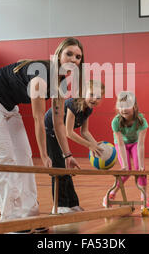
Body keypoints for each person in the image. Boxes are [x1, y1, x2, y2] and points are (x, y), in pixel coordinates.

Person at [0, 37, 84, 232]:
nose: (74, 59)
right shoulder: (41, 77)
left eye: (78, 57)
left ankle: (29, 215)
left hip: (8, 106)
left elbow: (58, 123)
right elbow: (39, 119)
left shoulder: (61, 83)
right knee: (3, 157)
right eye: (69, 54)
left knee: (24, 156)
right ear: (58, 55)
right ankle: (11, 219)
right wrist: (45, 156)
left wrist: (68, 155)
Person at [45, 80, 105, 214]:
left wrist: (95, 145)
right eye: (92, 94)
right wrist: (89, 145)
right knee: (59, 168)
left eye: (99, 96)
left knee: (67, 169)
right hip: (50, 133)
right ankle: (59, 205)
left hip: (60, 134)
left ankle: (72, 204)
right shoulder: (72, 104)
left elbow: (85, 132)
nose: (95, 99)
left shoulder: (88, 109)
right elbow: (69, 132)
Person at [103, 91, 149, 209]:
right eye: (121, 106)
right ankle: (111, 194)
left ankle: (144, 197)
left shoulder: (141, 121)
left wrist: (142, 165)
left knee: (141, 170)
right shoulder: (116, 122)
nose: (123, 109)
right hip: (122, 144)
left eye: (127, 106)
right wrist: (124, 165)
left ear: (134, 106)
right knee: (126, 170)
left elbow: (140, 144)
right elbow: (120, 143)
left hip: (135, 144)